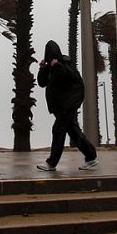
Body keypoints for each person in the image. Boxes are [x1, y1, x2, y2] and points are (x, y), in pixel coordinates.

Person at [35, 39, 97, 172]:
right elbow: (42, 83)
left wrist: (57, 66)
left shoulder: (65, 64)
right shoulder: (51, 67)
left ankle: (51, 163)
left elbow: (68, 78)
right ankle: (91, 156)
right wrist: (43, 69)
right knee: (74, 132)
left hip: (68, 105)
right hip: (59, 107)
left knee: (58, 130)